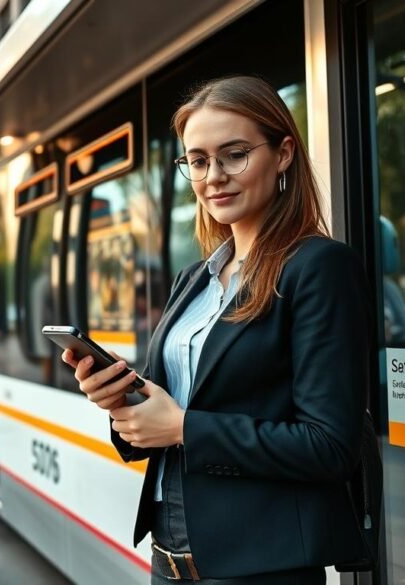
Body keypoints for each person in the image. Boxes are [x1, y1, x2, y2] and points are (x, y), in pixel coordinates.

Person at [62, 76, 370, 584]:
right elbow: (170, 412)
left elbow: (329, 446)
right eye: (198, 161)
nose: (214, 177)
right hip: (171, 555)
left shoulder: (318, 267)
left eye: (234, 155)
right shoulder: (195, 278)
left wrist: (184, 427)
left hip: (259, 564)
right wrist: (122, 403)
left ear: (284, 153)